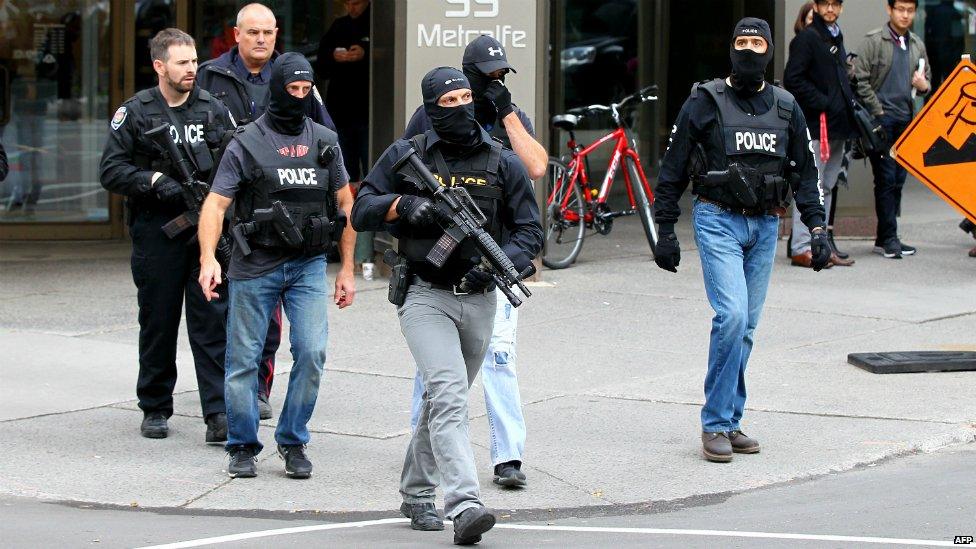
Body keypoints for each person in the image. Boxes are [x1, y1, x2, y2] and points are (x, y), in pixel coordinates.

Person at [352, 67, 542, 544]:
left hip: (480, 298)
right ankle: (464, 505)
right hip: (424, 294)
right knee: (450, 392)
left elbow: (529, 233)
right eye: (449, 100)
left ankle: (416, 492)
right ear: (432, 106)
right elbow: (361, 207)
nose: (460, 107)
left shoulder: (502, 162)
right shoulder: (409, 154)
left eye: (465, 97)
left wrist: (501, 267)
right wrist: (404, 207)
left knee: (443, 401)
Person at [652, 18, 830, 463]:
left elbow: (806, 175)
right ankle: (714, 423)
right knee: (731, 317)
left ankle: (731, 421)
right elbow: (673, 168)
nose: (749, 51)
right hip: (717, 220)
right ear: (730, 48)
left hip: (766, 226)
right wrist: (666, 229)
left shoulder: (787, 107)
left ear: (770, 50)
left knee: (746, 328)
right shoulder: (704, 100)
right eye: (741, 43)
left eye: (757, 43)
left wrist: (819, 228)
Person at [198, 52, 356, 480]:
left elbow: (345, 204)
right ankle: (243, 445)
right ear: (276, 89)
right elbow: (216, 204)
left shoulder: (324, 139)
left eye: (307, 90)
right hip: (255, 265)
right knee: (243, 360)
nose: (300, 97)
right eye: (293, 90)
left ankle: (293, 439)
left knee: (311, 353)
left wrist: (346, 269)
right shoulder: (246, 141)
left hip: (307, 265)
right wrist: (208, 257)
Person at [403, 34, 547, 489]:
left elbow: (538, 166)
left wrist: (504, 111)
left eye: (502, 74)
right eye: (487, 77)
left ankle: (508, 456)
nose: (495, 81)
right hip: (439, 258)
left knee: (499, 357)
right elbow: (401, 171)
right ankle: (422, 447)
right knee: (435, 366)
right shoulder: (431, 115)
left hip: (494, 258)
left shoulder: (509, 115)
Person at [197, 2, 338, 420]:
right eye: (253, 32)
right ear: (236, 34)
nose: (261, 39)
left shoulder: (293, 76)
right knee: (213, 315)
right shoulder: (210, 75)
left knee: (273, 327)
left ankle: (257, 390)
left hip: (279, 219)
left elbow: (326, 144)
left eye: (268, 32)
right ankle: (218, 408)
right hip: (221, 201)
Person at [99, 28, 235, 442]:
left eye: (194, 61)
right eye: (182, 62)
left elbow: (238, 162)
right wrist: (154, 179)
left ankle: (217, 411)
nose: (192, 69)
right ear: (160, 66)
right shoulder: (136, 112)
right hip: (158, 231)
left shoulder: (213, 109)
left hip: (206, 233)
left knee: (212, 322)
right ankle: (155, 406)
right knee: (158, 321)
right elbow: (111, 170)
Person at [853, 0, 931, 259]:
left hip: (907, 120)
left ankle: (884, 236)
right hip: (881, 121)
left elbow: (926, 81)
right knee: (886, 179)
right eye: (901, 10)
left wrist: (923, 85)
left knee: (898, 180)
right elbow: (859, 78)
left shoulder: (917, 43)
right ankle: (889, 238)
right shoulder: (874, 41)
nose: (905, 15)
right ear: (890, 10)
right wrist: (879, 110)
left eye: (910, 10)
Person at [784, 0, 858, 268]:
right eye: (825, 3)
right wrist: (823, 102)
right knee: (812, 187)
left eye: (835, 4)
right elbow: (793, 79)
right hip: (817, 124)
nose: (830, 8)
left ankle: (821, 247)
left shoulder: (836, 34)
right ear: (816, 6)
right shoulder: (807, 38)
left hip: (838, 125)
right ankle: (802, 247)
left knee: (826, 187)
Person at [317, 0, 375, 280]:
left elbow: (387, 60)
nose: (352, 7)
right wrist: (336, 57)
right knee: (344, 175)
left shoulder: (376, 23)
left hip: (369, 112)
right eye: (347, 2)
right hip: (340, 111)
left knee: (370, 174)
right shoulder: (339, 26)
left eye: (357, 2)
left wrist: (365, 53)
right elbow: (321, 63)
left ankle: (367, 243)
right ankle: (340, 238)